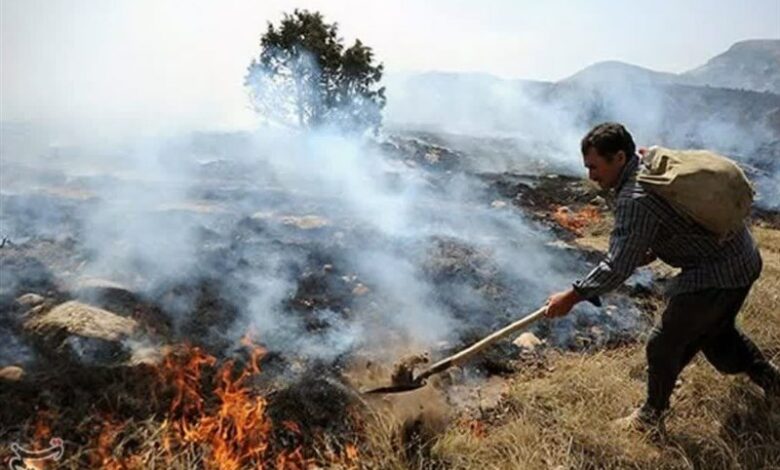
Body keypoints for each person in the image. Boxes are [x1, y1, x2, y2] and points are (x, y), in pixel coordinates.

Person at [545, 122, 780, 433]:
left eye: (594, 167)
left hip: (717, 273)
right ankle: (774, 384)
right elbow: (677, 219)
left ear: (618, 157)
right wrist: (652, 247)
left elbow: (617, 266)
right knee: (717, 335)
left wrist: (572, 297)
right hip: (743, 258)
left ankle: (650, 416)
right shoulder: (650, 163)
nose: (591, 176)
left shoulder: (634, 197)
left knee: (663, 344)